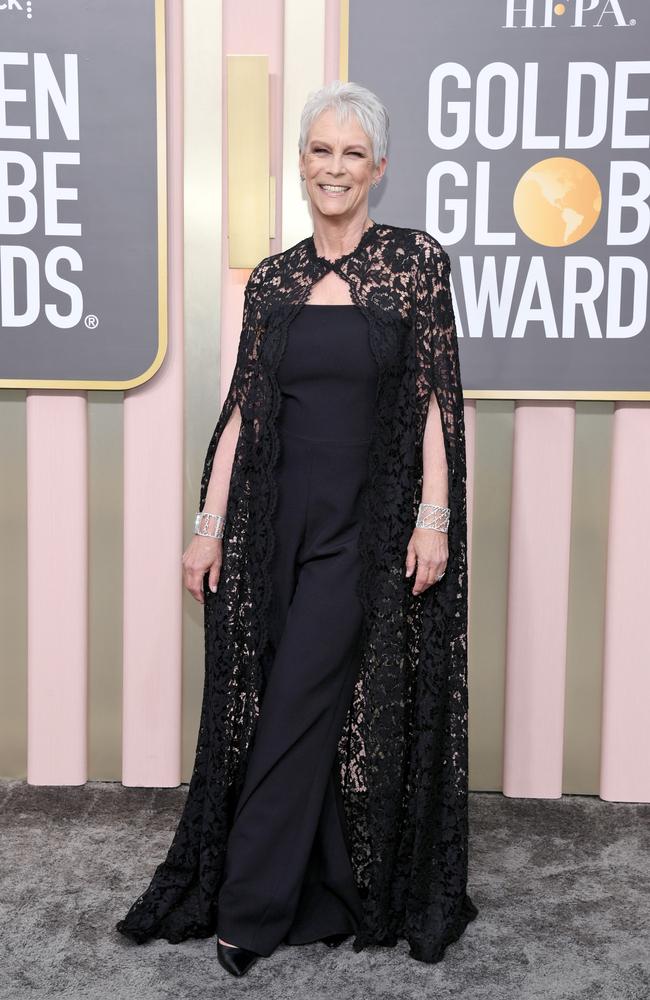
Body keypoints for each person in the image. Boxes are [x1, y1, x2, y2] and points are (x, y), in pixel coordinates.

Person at [115, 80, 478, 977]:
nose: (335, 167)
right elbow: (242, 411)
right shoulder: (274, 278)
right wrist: (208, 525)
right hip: (273, 520)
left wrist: (434, 515)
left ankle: (250, 907)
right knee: (279, 690)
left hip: (368, 522)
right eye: (321, 150)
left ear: (380, 169)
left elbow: (437, 399)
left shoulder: (412, 263)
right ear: (302, 161)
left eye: (354, 153)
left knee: (297, 701)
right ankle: (323, 882)